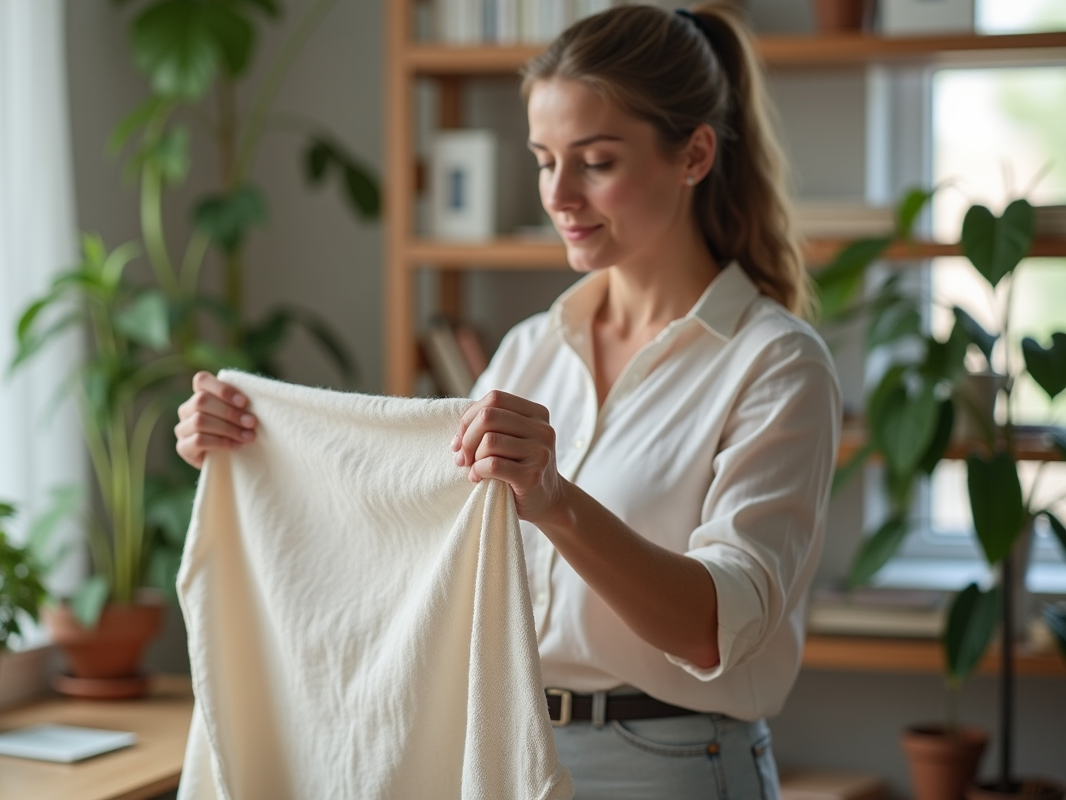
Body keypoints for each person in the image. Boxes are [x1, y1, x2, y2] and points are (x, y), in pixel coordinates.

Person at [174, 4, 840, 798]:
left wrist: (556, 501)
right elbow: (425, 548)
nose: (558, 193)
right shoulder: (530, 349)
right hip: (509, 750)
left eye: (595, 161)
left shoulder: (777, 365)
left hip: (673, 767)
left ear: (694, 154)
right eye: (543, 158)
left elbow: (713, 629)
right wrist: (256, 455)